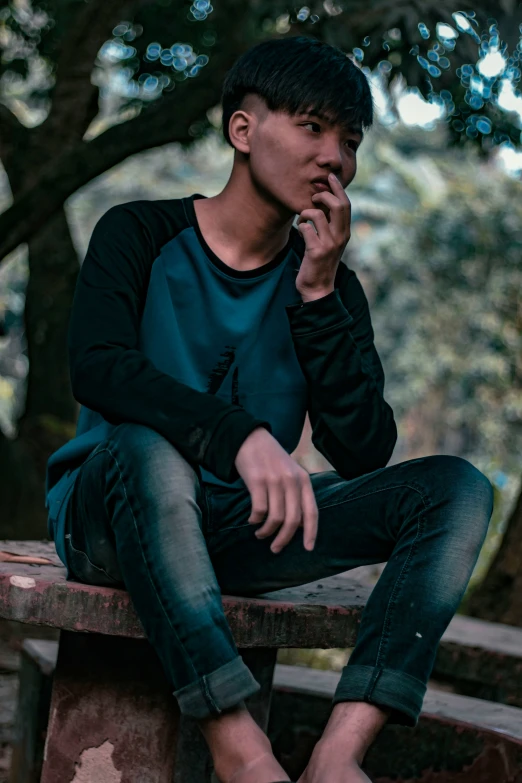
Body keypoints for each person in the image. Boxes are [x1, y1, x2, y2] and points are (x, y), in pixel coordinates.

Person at [44, 35, 494, 783]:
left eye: (349, 141)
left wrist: (317, 298)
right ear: (243, 130)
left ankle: (337, 754)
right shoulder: (140, 234)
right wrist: (238, 436)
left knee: (455, 488)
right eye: (313, 127)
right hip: (115, 513)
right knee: (149, 449)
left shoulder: (330, 287)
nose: (335, 159)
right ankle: (241, 747)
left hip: (241, 527)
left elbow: (361, 450)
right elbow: (99, 369)